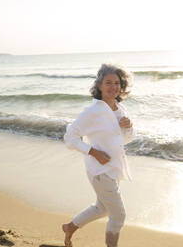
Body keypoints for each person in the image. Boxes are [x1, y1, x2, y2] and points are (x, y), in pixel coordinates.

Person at [62, 63, 135, 247]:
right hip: (99, 170)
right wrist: (94, 152)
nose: (113, 87)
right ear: (99, 85)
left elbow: (124, 140)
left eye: (117, 83)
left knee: (102, 209)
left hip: (114, 168)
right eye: (108, 82)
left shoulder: (120, 110)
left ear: (122, 86)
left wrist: (128, 126)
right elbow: (70, 138)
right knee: (118, 216)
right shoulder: (92, 112)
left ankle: (70, 227)